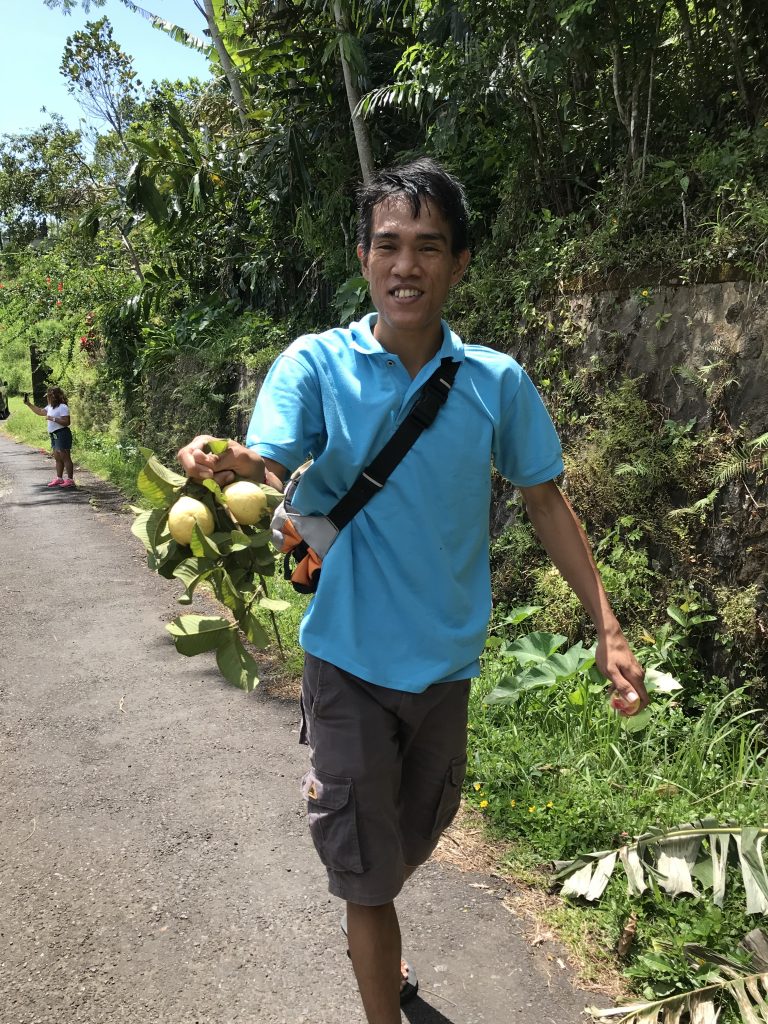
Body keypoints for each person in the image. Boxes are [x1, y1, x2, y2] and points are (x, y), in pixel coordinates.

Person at [178, 157, 648, 1024]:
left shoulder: (496, 383)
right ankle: (380, 989)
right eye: (388, 244)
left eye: (428, 246)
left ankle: (378, 936)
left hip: (444, 671)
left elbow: (544, 497)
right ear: (362, 258)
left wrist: (607, 626)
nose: (406, 265)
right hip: (347, 661)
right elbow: (269, 457)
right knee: (366, 872)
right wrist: (232, 465)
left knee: (411, 838)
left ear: (460, 264)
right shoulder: (317, 364)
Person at [24, 386, 76, 488]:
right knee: (57, 457)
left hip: (62, 433)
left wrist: (53, 418)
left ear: (56, 396)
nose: (49, 397)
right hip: (54, 434)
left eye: (50, 395)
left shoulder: (63, 407)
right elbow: (39, 411)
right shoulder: (50, 407)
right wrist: (29, 404)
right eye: (48, 396)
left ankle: (70, 480)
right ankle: (59, 478)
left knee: (65, 456)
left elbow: (67, 422)